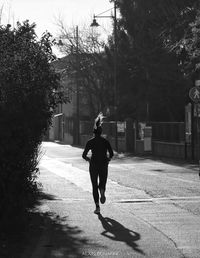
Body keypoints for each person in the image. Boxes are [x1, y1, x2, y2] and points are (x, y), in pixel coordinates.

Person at [82, 113, 114, 214]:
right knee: (102, 182)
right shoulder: (105, 141)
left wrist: (89, 160)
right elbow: (112, 153)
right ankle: (102, 190)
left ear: (93, 132)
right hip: (103, 164)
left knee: (94, 185)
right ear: (101, 132)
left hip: (94, 165)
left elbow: (83, 155)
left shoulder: (90, 142)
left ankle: (97, 207)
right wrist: (108, 160)